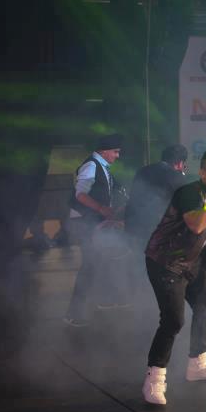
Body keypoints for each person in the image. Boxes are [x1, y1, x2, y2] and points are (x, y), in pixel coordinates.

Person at [141, 147, 206, 406]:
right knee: (173, 320)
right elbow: (197, 225)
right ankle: (154, 380)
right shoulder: (188, 193)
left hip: (191, 263)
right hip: (166, 263)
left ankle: (197, 365)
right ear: (202, 172)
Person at [63, 133, 125, 327]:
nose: (117, 156)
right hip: (85, 222)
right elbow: (80, 195)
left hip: (93, 221)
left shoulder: (102, 167)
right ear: (104, 151)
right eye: (115, 152)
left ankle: (104, 299)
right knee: (90, 265)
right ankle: (73, 313)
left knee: (101, 260)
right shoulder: (91, 165)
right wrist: (100, 208)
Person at [124, 144, 189, 247]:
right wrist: (182, 175)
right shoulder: (177, 177)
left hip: (134, 228)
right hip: (159, 232)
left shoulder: (142, 171)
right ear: (180, 163)